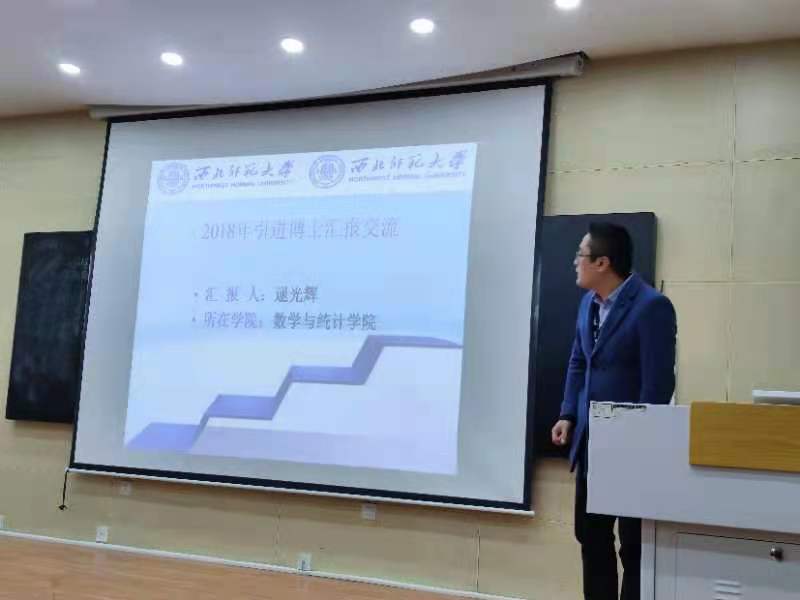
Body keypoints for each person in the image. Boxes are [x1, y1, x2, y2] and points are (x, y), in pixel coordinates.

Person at [551, 222, 676, 600]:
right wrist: (568, 413)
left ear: (602, 262)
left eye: (581, 255)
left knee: (634, 545)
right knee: (591, 536)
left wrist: (637, 438)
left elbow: (657, 384)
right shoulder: (588, 303)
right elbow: (579, 362)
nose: (575, 262)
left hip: (631, 447)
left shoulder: (651, 306)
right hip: (591, 441)